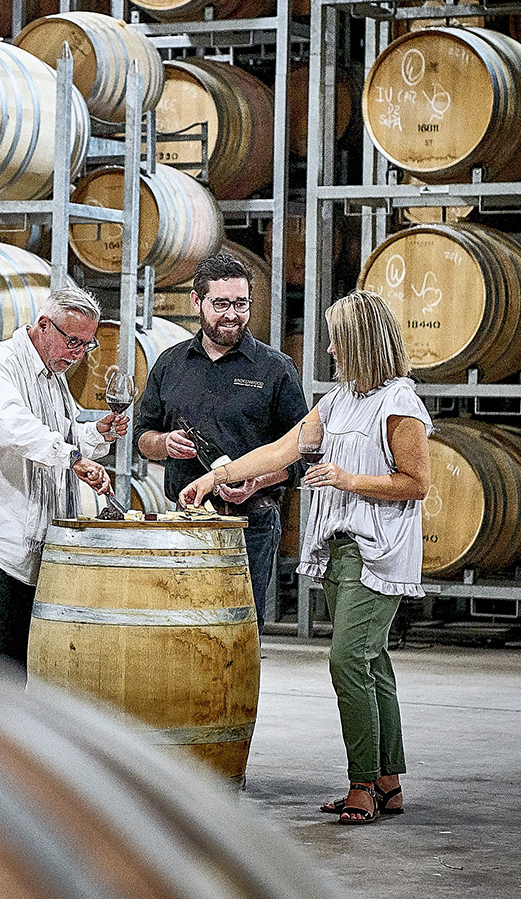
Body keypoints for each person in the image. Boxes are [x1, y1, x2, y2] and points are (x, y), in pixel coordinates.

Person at [178, 290, 431, 826]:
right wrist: (216, 475)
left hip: (378, 549)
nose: (332, 348)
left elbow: (417, 483)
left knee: (347, 661)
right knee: (371, 661)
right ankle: (388, 781)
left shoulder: (399, 404)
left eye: (339, 337)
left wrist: (347, 479)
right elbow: (284, 448)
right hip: (339, 547)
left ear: (361, 341)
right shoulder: (340, 400)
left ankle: (362, 782)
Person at [0, 286, 130, 675]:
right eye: (72, 341)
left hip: (31, 550)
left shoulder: (53, 376)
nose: (78, 354)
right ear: (44, 325)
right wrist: (73, 457)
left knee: (16, 676)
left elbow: (63, 434)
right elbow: (14, 427)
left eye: (86, 345)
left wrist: (99, 433)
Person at [134, 250, 306, 620]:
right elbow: (142, 437)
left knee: (240, 630)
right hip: (187, 520)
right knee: (183, 626)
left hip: (251, 522)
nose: (232, 314)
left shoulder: (275, 369)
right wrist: (163, 444)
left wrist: (257, 481)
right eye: (221, 303)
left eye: (241, 304)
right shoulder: (170, 363)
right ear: (197, 301)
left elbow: (303, 453)